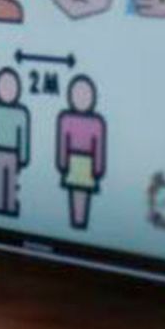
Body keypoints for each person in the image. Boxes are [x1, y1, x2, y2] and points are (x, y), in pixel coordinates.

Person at [56, 75, 107, 230]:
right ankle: (77, 221)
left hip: (87, 164)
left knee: (83, 194)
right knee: (75, 193)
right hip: (73, 161)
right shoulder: (66, 119)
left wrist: (97, 170)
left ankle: (79, 222)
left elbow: (98, 148)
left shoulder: (96, 123)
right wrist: (63, 164)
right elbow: (62, 143)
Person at [0, 67, 30, 216]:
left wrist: (22, 158)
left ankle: (9, 206)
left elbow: (23, 137)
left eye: (11, 87)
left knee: (10, 182)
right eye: (4, 86)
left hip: (13, 154)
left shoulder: (20, 113)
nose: (7, 91)